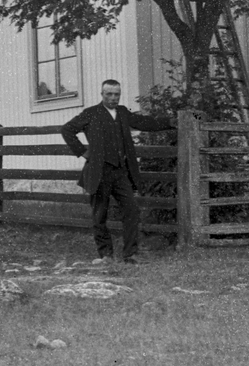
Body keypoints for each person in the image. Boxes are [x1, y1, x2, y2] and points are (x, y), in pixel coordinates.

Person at [61, 79, 173, 263]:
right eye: (109, 94)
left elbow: (145, 122)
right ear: (102, 94)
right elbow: (67, 130)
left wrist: (171, 122)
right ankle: (106, 254)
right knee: (99, 215)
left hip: (120, 172)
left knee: (132, 210)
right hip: (99, 172)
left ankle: (130, 254)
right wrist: (83, 152)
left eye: (116, 94)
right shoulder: (91, 113)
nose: (113, 98)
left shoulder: (122, 112)